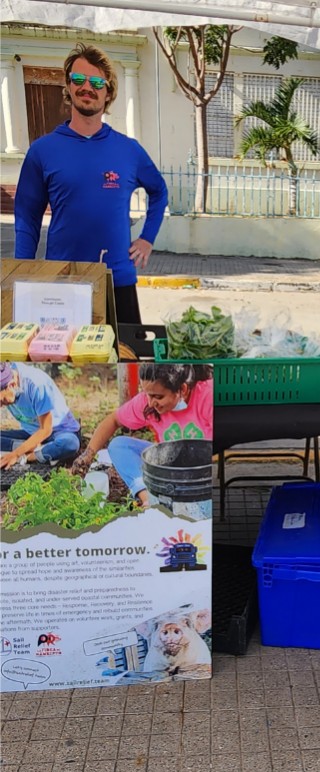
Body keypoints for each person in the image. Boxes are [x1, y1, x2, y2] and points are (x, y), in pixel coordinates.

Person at [14, 43, 169, 324]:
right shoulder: (43, 151)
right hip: (62, 282)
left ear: (108, 92)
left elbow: (159, 192)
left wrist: (147, 239)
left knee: (124, 363)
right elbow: (27, 217)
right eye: (79, 79)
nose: (88, 87)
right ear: (68, 86)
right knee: (64, 367)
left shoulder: (129, 150)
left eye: (97, 81)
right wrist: (21, 276)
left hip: (117, 281)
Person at [71, 363, 213, 508]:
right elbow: (113, 420)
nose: (151, 403)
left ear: (182, 389)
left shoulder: (207, 395)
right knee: (119, 445)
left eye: (158, 396)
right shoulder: (147, 403)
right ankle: (149, 499)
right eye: (148, 395)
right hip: (169, 466)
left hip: (203, 472)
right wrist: (88, 455)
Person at [0, 362, 81, 470]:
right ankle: (36, 449)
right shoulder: (5, 379)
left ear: (12, 385)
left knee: (70, 444)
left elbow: (46, 430)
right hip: (32, 433)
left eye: (2, 401)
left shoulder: (36, 384)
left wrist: (16, 454)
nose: (1, 406)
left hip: (58, 431)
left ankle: (30, 456)